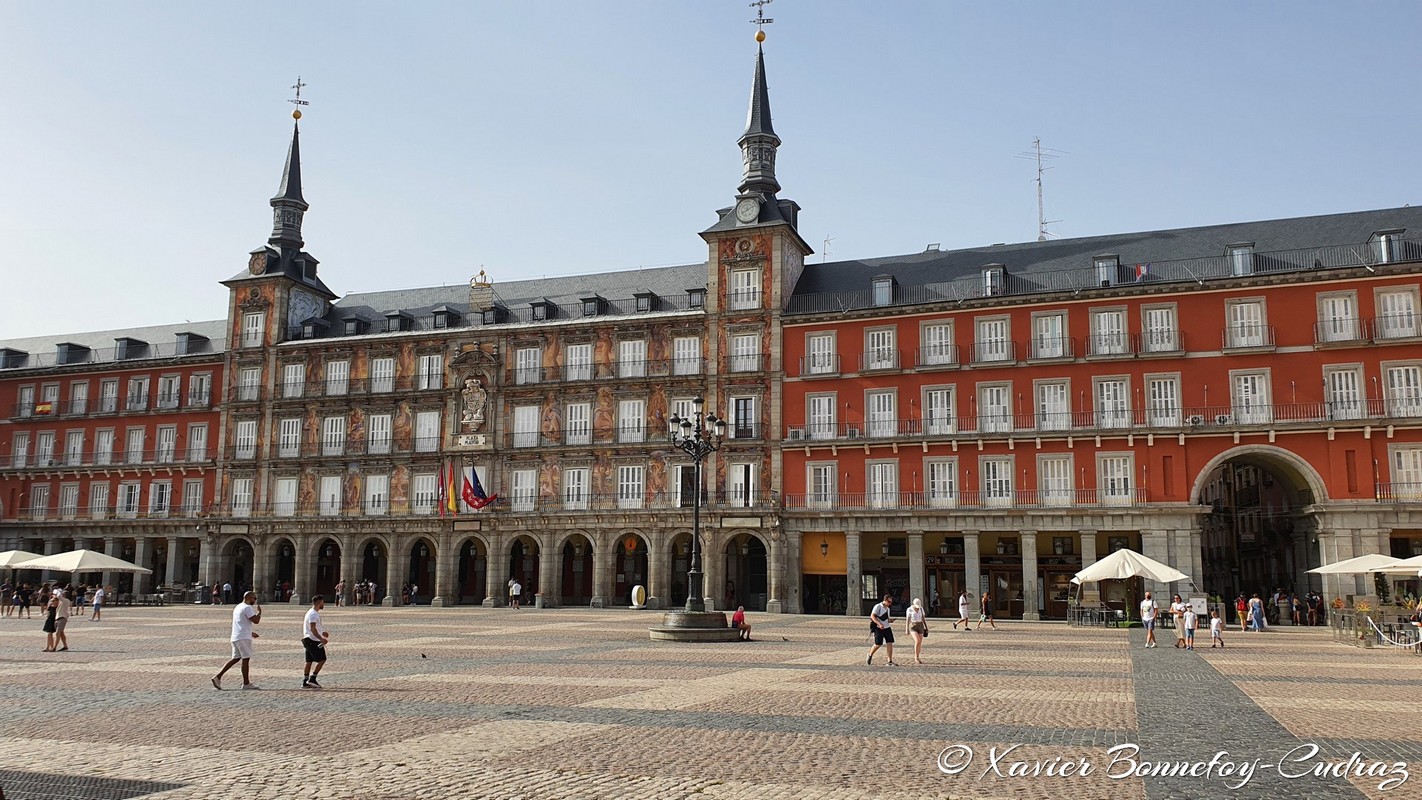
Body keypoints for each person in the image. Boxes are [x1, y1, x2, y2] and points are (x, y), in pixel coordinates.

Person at [212, 591, 262, 690]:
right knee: (246, 659)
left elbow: (241, 623)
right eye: (254, 598)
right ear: (248, 597)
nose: (255, 601)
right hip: (242, 638)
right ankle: (246, 683)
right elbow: (256, 621)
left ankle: (218, 677)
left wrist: (251, 633)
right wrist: (259, 612)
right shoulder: (247, 608)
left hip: (237, 636)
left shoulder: (238, 607)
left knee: (235, 659)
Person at [302, 595, 330, 689]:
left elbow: (315, 628)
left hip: (308, 639)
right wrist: (321, 638)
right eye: (323, 602)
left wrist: (322, 633)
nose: (323, 604)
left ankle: (305, 681)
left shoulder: (310, 612)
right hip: (313, 640)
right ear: (319, 602)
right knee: (322, 659)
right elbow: (312, 628)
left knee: (309, 661)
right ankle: (312, 678)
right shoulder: (313, 614)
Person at [867, 593, 897, 666]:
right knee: (878, 644)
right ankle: (870, 654)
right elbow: (872, 616)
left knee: (890, 642)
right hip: (878, 628)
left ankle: (889, 661)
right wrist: (879, 624)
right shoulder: (878, 606)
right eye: (889, 602)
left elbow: (886, 619)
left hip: (887, 627)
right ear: (885, 600)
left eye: (891, 602)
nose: (890, 604)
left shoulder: (888, 609)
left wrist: (890, 620)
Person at [905, 598, 928, 664]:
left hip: (920, 625)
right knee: (917, 641)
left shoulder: (921, 609)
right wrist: (907, 629)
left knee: (920, 642)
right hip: (913, 625)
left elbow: (923, 618)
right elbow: (907, 620)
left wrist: (926, 627)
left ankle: (918, 656)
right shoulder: (909, 609)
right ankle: (916, 657)